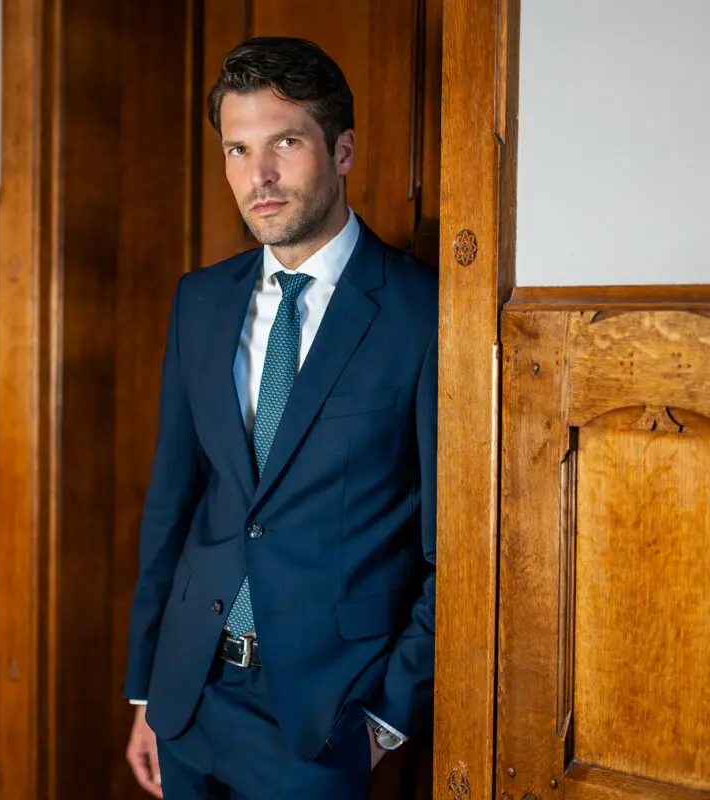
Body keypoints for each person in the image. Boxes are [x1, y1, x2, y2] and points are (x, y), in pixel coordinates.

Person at [123, 36, 436, 800]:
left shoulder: (421, 311)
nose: (257, 176)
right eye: (237, 150)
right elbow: (171, 505)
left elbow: (454, 549)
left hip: (325, 721)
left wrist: (387, 718)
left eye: (285, 143)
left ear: (343, 150)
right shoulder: (200, 301)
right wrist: (147, 691)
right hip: (190, 696)